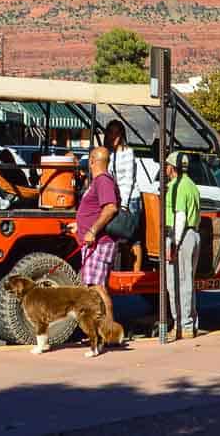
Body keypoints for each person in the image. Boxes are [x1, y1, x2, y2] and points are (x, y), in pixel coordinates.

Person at [72, 146, 120, 319]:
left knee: (97, 288)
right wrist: (79, 225)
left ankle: (109, 331)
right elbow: (95, 210)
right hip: (95, 242)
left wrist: (92, 230)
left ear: (92, 160)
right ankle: (103, 330)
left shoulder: (103, 181)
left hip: (99, 243)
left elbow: (110, 208)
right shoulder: (100, 181)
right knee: (95, 287)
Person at [164, 151, 201, 338]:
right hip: (193, 235)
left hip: (180, 236)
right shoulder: (192, 186)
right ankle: (191, 323)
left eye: (167, 166)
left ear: (172, 168)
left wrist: (174, 244)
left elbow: (180, 216)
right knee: (188, 282)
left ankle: (182, 326)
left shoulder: (178, 187)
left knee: (176, 284)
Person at [104, 120, 142, 271]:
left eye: (116, 133)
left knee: (131, 237)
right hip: (116, 198)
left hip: (130, 198)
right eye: (110, 132)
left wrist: (124, 204)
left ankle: (135, 272)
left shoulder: (127, 153)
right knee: (119, 236)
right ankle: (125, 270)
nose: (113, 136)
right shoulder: (109, 153)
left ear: (121, 135)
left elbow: (128, 180)